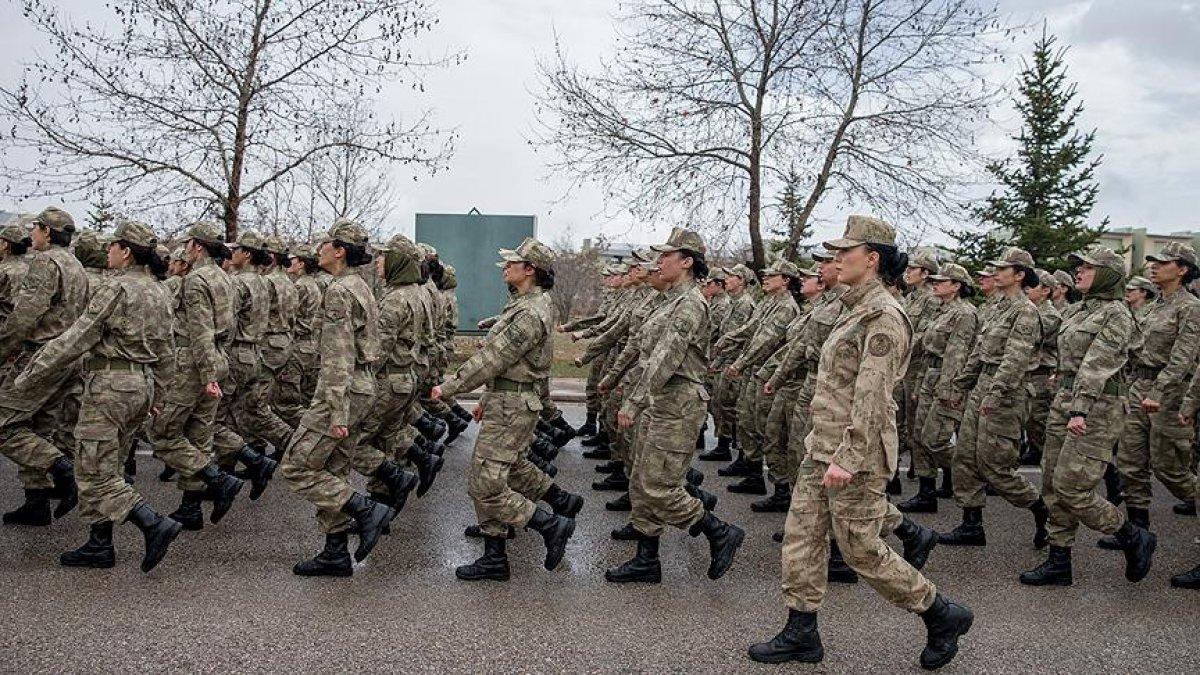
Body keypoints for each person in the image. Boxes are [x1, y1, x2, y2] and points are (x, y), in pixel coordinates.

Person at [749, 215, 971, 670]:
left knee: (860, 550)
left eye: (844, 252)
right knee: (802, 538)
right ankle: (801, 631)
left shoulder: (884, 316)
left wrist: (848, 457)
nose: (835, 260)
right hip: (822, 446)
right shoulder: (852, 306)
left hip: (857, 453)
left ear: (871, 258)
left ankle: (940, 613)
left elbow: (872, 394)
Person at [15, 221, 182, 571]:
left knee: (92, 471)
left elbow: (78, 337)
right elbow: (168, 350)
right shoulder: (159, 291)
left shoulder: (117, 288)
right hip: (142, 384)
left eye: (113, 245)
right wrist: (160, 395)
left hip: (110, 385)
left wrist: (32, 371)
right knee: (111, 465)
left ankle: (153, 523)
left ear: (126, 251)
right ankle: (99, 543)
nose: (108, 250)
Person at [605, 228, 744, 584]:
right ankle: (646, 559)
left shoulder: (690, 304)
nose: (659, 261)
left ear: (686, 262)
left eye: (666, 255)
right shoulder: (669, 301)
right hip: (661, 399)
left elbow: (666, 358)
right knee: (641, 479)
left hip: (678, 403)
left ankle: (718, 531)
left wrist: (634, 401)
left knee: (657, 485)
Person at [432, 237, 576, 581]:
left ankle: (549, 524)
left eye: (513, 263)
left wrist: (449, 387)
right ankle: (495, 555)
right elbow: (507, 364)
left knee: (485, 483)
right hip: (506, 400)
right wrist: (485, 398)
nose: (505, 267)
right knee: (499, 474)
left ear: (531, 270)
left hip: (512, 407)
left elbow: (494, 357)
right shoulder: (524, 304)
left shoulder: (530, 312)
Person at [1019, 247, 1156, 586]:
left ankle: (1132, 535)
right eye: (1078, 267)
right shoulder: (1080, 310)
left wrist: (1079, 409)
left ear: (1107, 274)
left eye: (1088, 267)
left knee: (1072, 487)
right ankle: (1059, 560)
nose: (1079, 271)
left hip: (1097, 407)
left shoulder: (1117, 314)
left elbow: (1097, 365)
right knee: (1052, 483)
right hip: (1066, 400)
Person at [280, 219, 396, 577]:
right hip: (361, 386)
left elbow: (337, 357)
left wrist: (336, 410)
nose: (319, 249)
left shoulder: (339, 292)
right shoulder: (361, 286)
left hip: (343, 389)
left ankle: (365, 509)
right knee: (334, 468)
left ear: (340, 251)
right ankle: (335, 551)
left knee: (297, 465)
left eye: (326, 243)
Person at [939, 247, 1050, 550]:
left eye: (1003, 269)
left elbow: (1015, 359)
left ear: (1019, 275)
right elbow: (980, 352)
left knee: (995, 467)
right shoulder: (1000, 307)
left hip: (1006, 393)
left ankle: (1042, 510)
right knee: (965, 457)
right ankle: (971, 525)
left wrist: (996, 393)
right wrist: (961, 385)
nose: (996, 273)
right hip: (983, 386)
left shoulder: (1025, 311)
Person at [148, 222, 245, 530]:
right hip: (216, 358)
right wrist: (215, 366)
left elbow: (200, 330)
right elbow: (226, 327)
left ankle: (218, 480)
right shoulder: (225, 278)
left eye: (189, 243)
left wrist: (206, 374)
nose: (185, 248)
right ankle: (190, 507)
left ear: (198, 246)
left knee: (161, 433)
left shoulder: (196, 280)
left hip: (193, 362)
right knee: (199, 434)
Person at [1109, 243, 1200, 546]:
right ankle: (1138, 534)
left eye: (1163, 262)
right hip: (1138, 388)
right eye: (1153, 262)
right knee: (1130, 463)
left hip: (1171, 393)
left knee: (1169, 468)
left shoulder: (1190, 308)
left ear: (1182, 269)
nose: (1154, 266)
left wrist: (1159, 391)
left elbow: (1183, 357)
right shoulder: (1152, 307)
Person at [0, 207, 86, 526]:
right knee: (37, 428)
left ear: (47, 231)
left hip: (41, 357)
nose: (31, 234)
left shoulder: (46, 261)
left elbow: (24, 316)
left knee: (5, 425)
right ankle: (36, 501)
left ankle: (63, 471)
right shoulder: (75, 265)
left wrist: (3, 350)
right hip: (68, 358)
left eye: (35, 227)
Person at [717, 260, 801, 496]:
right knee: (747, 420)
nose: (765, 278)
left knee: (766, 429)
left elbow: (767, 341)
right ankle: (753, 472)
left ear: (786, 280)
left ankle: (780, 488)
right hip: (755, 369)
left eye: (772, 275)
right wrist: (728, 340)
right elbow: (752, 329)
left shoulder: (786, 307)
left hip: (768, 373)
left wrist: (740, 363)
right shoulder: (769, 302)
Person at [899, 263, 979, 513]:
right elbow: (927, 350)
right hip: (929, 375)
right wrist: (919, 383)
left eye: (942, 281)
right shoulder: (941, 310)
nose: (935, 284)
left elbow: (956, 355)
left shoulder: (964, 314)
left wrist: (949, 390)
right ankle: (926, 492)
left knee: (934, 438)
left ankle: (970, 474)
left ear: (956, 286)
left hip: (946, 378)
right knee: (919, 436)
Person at [701, 264, 756, 463]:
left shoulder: (744, 304)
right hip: (726, 360)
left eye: (731, 276)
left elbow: (734, 338)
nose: (727, 280)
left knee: (732, 407)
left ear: (741, 280)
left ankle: (734, 450)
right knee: (722, 404)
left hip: (733, 361)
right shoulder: (735, 302)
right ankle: (723, 445)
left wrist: (719, 360)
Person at [1020, 269, 1063, 467]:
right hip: (1028, 372)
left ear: (1045, 290)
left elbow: (1031, 336)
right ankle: (1034, 449)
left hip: (1041, 372)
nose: (1026, 289)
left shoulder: (1050, 315)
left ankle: (1042, 451)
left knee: (1038, 417)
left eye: (1033, 285)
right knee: (1029, 417)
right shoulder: (1029, 310)